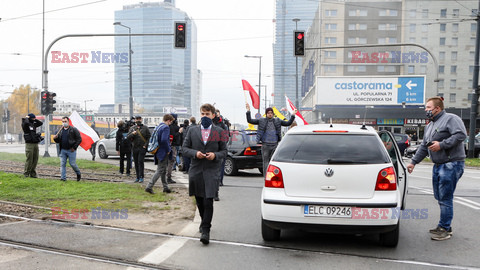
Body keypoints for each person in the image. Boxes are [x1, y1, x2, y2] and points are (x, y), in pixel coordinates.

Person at [407, 97, 467, 241]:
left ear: (437, 108)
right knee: (439, 196)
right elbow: (424, 146)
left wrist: (442, 145)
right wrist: (413, 162)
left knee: (445, 197)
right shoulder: (430, 125)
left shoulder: (451, 119)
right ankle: (444, 225)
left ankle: (445, 229)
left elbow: (461, 135)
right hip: (439, 164)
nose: (426, 110)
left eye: (428, 107)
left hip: (451, 164)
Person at [182, 103, 228, 245]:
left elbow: (224, 151)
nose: (204, 116)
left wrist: (215, 155)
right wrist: (195, 153)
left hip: (212, 170)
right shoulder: (192, 130)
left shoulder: (220, 131)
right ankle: (203, 221)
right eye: (202, 114)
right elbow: (184, 148)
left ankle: (206, 230)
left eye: (207, 114)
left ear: (213, 115)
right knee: (200, 200)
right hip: (196, 169)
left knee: (209, 200)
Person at [246, 103, 297, 175]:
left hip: (274, 145)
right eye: (268, 113)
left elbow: (288, 123)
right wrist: (248, 111)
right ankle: (266, 178)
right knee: (265, 162)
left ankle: (273, 177)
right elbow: (250, 120)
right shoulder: (261, 120)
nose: (270, 114)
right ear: (266, 114)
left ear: (273, 114)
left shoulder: (277, 120)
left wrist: (293, 114)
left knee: (273, 162)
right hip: (265, 145)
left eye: (271, 113)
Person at [145, 114, 175, 194]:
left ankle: (165, 187)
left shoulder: (158, 127)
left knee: (163, 170)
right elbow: (164, 140)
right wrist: (168, 149)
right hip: (163, 151)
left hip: (157, 150)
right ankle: (149, 186)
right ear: (169, 120)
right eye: (171, 122)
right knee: (160, 170)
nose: (170, 124)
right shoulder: (165, 127)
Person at [53, 116, 82, 181]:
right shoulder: (60, 131)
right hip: (63, 150)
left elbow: (79, 139)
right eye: (63, 122)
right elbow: (58, 141)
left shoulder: (73, 130)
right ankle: (63, 178)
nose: (64, 123)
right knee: (62, 164)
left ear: (68, 122)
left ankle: (78, 173)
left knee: (72, 164)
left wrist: (74, 147)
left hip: (71, 150)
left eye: (65, 121)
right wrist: (55, 138)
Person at [127, 115, 151, 183]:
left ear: (141, 120)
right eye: (137, 119)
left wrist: (145, 145)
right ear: (135, 120)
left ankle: (141, 177)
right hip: (134, 147)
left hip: (142, 147)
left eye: (139, 119)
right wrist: (132, 134)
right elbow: (128, 137)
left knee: (140, 161)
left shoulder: (145, 128)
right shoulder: (132, 128)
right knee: (136, 163)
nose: (138, 120)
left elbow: (149, 137)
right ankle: (137, 177)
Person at [213, 109, 229, 201]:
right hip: (210, 149)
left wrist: (222, 145)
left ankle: (219, 183)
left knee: (219, 168)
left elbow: (226, 137)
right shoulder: (209, 123)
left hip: (219, 149)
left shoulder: (223, 124)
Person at [21, 113, 43, 178]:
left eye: (34, 118)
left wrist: (35, 119)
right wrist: (27, 118)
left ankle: (33, 174)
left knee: (35, 159)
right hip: (29, 144)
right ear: (29, 118)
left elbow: (40, 123)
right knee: (29, 159)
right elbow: (26, 123)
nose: (34, 120)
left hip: (35, 143)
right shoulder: (25, 124)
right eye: (32, 118)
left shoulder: (33, 124)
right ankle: (26, 173)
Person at [167, 113, 181, 184]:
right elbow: (173, 136)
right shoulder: (172, 127)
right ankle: (168, 177)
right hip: (173, 145)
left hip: (169, 145)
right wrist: (179, 132)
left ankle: (167, 177)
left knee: (168, 162)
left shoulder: (168, 126)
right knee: (171, 161)